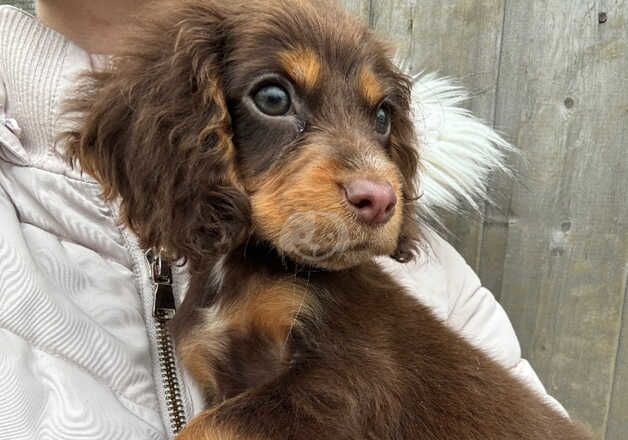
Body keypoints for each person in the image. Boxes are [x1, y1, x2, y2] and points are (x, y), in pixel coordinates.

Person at [0, 1, 566, 439]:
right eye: (273, 99)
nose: (376, 184)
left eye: (379, 117)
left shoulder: (413, 280)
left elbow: (336, 396)